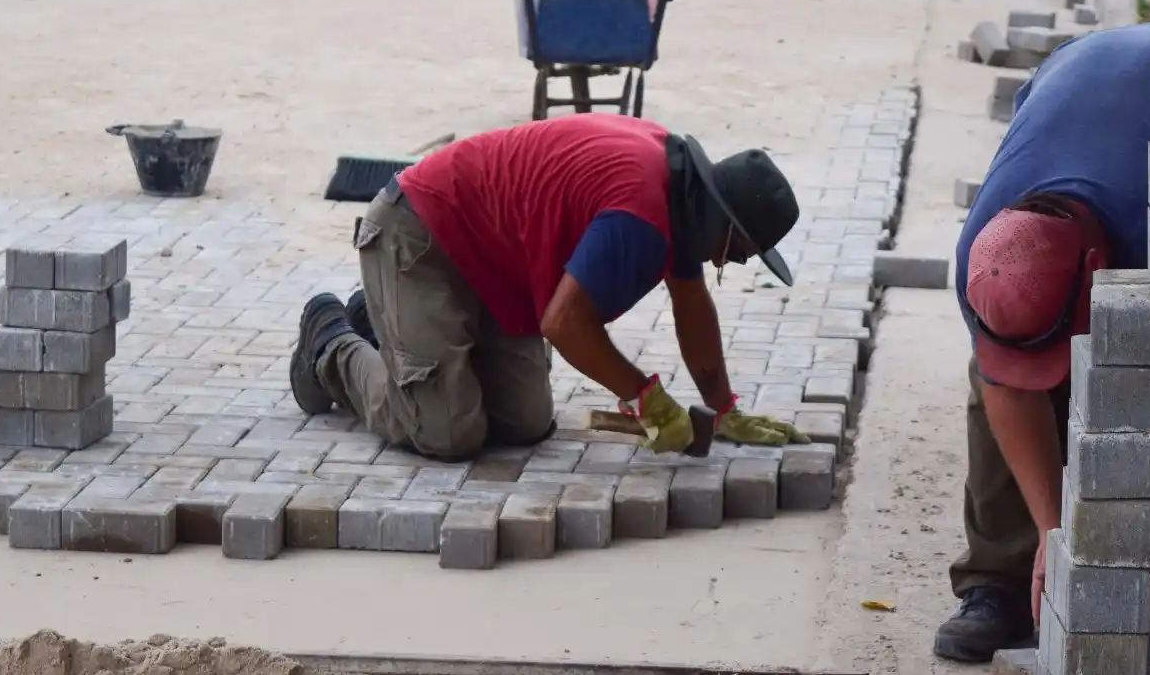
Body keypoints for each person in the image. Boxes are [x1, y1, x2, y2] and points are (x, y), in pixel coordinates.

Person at [935, 22, 1150, 664]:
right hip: (1067, 73)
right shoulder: (980, 257)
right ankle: (998, 582)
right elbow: (1006, 389)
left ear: (1101, 264)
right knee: (989, 382)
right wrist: (1054, 534)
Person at [290, 113, 810, 458]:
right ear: (725, 224)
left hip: (492, 268)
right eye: (739, 253)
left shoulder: (685, 197)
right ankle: (331, 340)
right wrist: (646, 399)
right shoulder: (640, 212)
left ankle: (383, 320)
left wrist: (724, 411)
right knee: (447, 432)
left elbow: (692, 308)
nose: (734, 264)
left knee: (526, 423)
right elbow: (564, 323)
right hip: (420, 233)